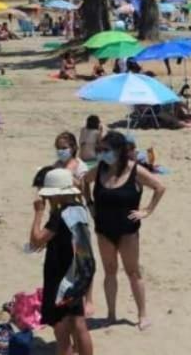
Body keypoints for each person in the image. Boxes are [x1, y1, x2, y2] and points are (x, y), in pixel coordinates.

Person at [81, 131, 166, 330]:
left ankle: (142, 314)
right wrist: (90, 203)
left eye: (106, 150)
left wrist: (147, 211)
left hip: (128, 231)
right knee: (109, 271)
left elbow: (160, 187)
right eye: (100, 150)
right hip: (103, 229)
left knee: (133, 272)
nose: (102, 154)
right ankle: (111, 315)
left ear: (119, 151)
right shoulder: (100, 169)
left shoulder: (134, 170)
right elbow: (84, 181)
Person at [29, 168, 96, 355]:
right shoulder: (80, 209)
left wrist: (38, 213)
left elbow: (36, 240)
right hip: (78, 275)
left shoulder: (59, 216)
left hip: (61, 279)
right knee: (79, 324)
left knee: (61, 330)